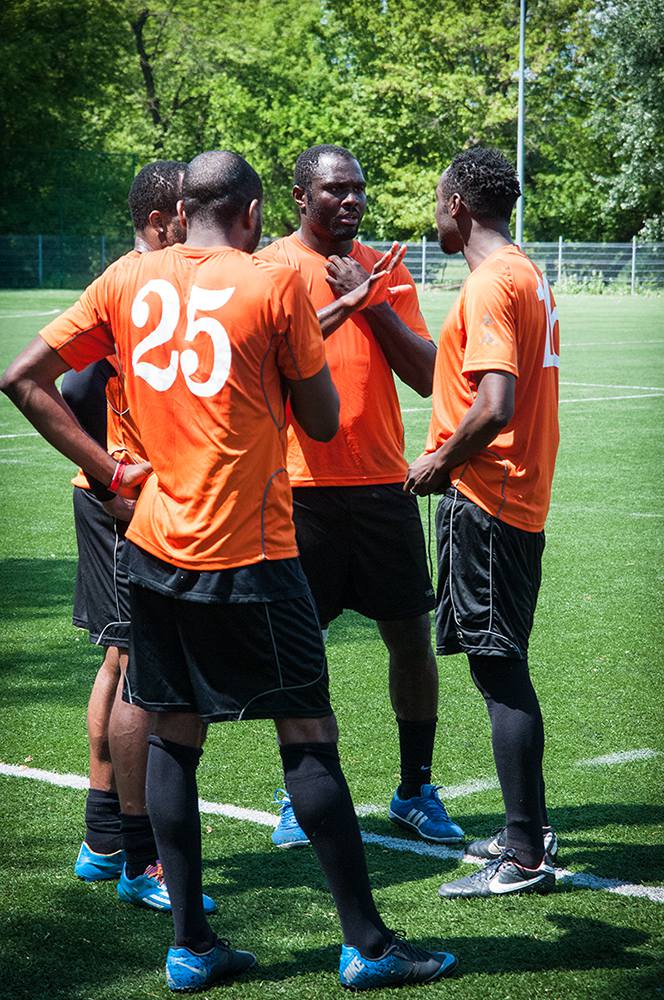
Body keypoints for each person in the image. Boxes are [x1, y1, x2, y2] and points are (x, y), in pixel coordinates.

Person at [1, 151, 457, 992]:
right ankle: (367, 943)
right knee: (309, 739)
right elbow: (319, 421)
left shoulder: (127, 278)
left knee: (176, 737)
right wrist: (324, 333)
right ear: (253, 212)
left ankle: (191, 944)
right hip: (252, 551)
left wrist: (108, 472)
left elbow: (23, 379)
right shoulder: (271, 282)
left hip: (155, 550)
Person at [259, 144, 464, 849]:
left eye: (358, 191)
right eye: (334, 190)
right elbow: (260, 373)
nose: (350, 202)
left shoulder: (388, 267)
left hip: (381, 484)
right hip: (298, 488)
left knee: (410, 636)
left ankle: (416, 788)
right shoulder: (269, 268)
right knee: (297, 647)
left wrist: (371, 298)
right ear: (298, 198)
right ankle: (300, 794)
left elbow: (428, 375)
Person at [405, 146, 560, 899]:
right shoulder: (523, 270)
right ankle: (528, 827)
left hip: (490, 501)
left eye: (438, 200)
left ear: (458, 205)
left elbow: (494, 404)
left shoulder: (493, 282)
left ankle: (525, 852)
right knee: (501, 665)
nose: (435, 212)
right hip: (512, 499)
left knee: (499, 672)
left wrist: (438, 465)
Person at [62, 159, 216, 914]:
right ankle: (138, 856)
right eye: (190, 216)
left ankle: (103, 838)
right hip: (125, 498)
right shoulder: (135, 283)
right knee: (136, 668)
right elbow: (75, 386)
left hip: (124, 495)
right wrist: (110, 477)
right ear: (162, 223)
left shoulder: (156, 282)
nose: (199, 229)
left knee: (120, 660)